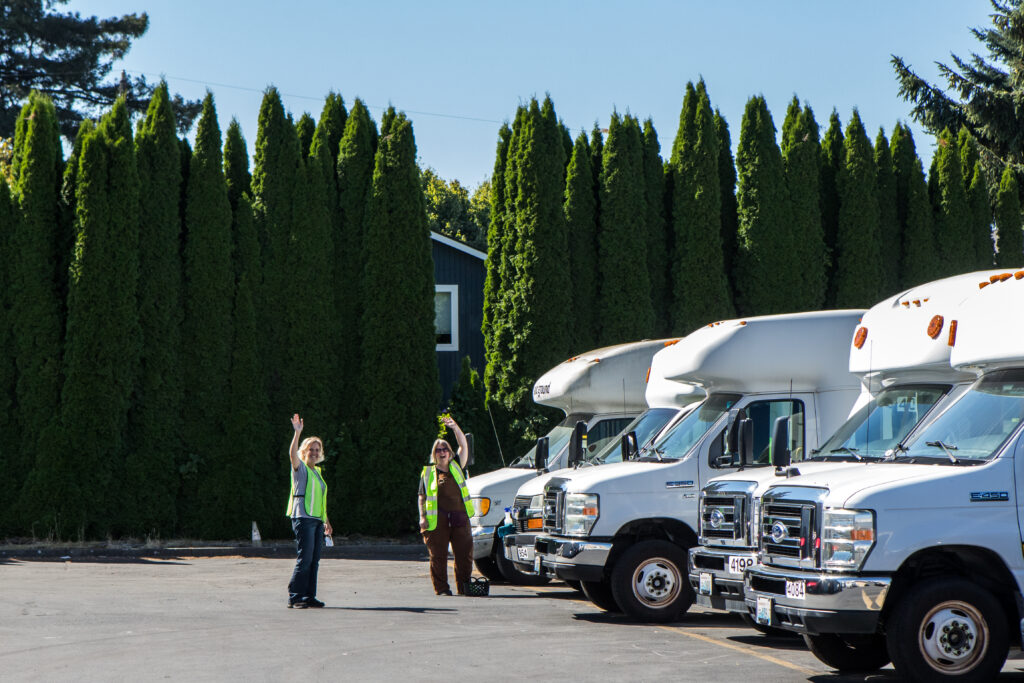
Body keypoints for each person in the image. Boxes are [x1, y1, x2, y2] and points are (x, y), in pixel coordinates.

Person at [418, 416, 475, 595]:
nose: (442, 452)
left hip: (459, 518)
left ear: (450, 452)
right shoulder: (428, 473)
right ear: (434, 454)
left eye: (445, 449)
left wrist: (454, 427)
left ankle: (465, 587)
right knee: (438, 556)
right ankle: (442, 589)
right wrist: (422, 517)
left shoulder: (457, 465)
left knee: (464, 555)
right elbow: (421, 496)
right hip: (438, 521)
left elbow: (464, 446)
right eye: (438, 450)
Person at [286, 413, 332, 608]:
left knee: (314, 559)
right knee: (304, 558)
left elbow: (321, 500)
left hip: (316, 520)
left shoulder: (317, 472)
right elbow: (292, 455)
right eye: (311, 449)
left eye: (317, 449)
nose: (314, 452)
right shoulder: (301, 468)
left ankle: (309, 596)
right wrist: (297, 434)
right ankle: (295, 596)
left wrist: (326, 521)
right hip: (302, 517)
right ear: (304, 451)